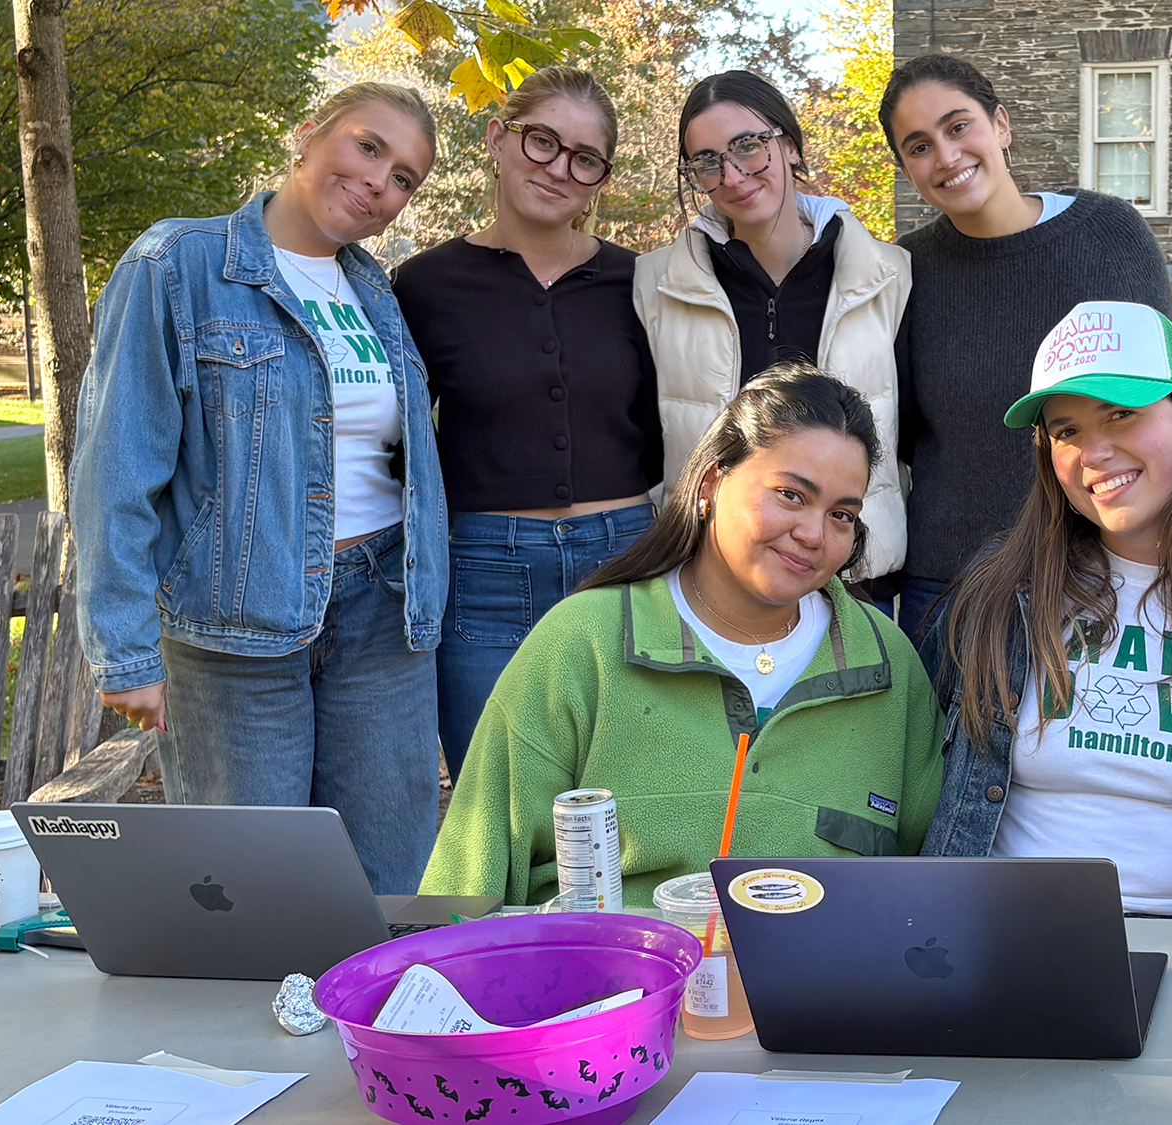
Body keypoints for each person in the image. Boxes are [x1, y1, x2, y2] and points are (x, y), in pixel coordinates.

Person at [70, 83, 447, 894]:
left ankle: (377, 1024)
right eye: (369, 147)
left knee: (392, 881)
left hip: (384, 615)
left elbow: (387, 455)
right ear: (307, 133)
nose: (383, 181)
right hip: (236, 622)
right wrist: (124, 646)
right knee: (250, 890)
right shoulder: (178, 264)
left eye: (406, 176)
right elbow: (115, 464)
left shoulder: (374, 291)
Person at [421, 366, 945, 907]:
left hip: (818, 992)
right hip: (608, 989)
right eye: (790, 495)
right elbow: (465, 888)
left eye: (841, 514)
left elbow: (930, 893)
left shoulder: (888, 668)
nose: (813, 534)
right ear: (713, 482)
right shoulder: (582, 645)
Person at [917, 302, 1172, 919]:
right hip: (1012, 934)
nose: (1093, 452)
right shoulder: (1003, 590)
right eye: (1066, 431)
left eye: (1121, 414)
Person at [392, 69, 661, 782]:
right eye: (542, 142)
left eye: (583, 158)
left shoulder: (643, 284)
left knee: (630, 793)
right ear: (497, 139)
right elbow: (397, 441)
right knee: (498, 795)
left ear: (600, 177)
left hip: (626, 560)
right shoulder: (423, 285)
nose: (557, 169)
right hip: (484, 567)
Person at [879, 54, 1172, 639]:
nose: (946, 156)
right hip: (949, 582)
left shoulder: (1110, 234)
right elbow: (904, 429)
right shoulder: (903, 272)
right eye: (918, 146)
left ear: (1001, 126)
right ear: (907, 169)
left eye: (958, 126)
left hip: (1094, 572)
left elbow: (1165, 397)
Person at [633, 70, 910, 597]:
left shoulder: (889, 275)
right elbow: (646, 437)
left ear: (789, 145)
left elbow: (912, 438)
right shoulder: (656, 282)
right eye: (707, 162)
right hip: (707, 572)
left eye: (748, 147)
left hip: (852, 576)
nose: (733, 176)